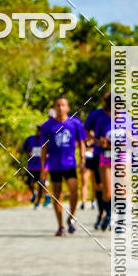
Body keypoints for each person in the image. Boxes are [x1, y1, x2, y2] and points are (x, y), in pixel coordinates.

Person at [40, 96, 86, 236]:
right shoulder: (47, 126)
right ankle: (60, 225)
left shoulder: (75, 123)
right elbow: (44, 147)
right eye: (58, 105)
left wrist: (82, 159)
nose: (60, 108)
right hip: (55, 165)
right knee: (57, 195)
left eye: (63, 105)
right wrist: (43, 168)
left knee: (74, 190)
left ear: (68, 108)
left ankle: (71, 218)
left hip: (70, 164)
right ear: (54, 108)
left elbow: (82, 142)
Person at [84, 92, 110, 229]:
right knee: (99, 185)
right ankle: (101, 212)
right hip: (98, 153)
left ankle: (111, 214)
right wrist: (96, 141)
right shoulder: (96, 115)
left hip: (116, 156)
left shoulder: (122, 116)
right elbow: (86, 130)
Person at [22, 125, 47, 208]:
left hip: (43, 167)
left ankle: (38, 202)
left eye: (41, 130)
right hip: (32, 166)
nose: (39, 132)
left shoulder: (47, 140)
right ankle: (33, 193)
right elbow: (24, 148)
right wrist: (29, 152)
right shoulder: (30, 139)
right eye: (38, 130)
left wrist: (47, 155)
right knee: (30, 182)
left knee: (41, 184)